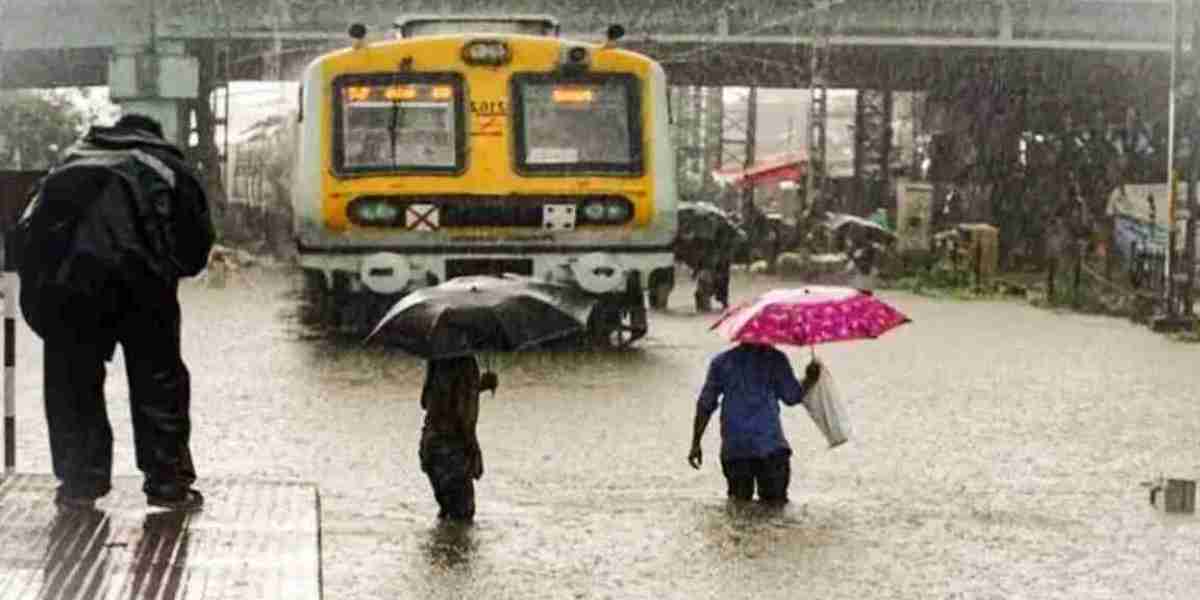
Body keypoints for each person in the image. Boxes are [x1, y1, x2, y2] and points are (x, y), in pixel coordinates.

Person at [19, 114, 214, 512]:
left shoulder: (70, 162)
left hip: (70, 288)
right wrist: (167, 269)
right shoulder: (168, 168)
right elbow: (196, 242)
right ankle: (168, 486)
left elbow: (28, 234)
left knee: (72, 384)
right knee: (158, 379)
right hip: (144, 287)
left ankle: (79, 485)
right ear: (153, 135)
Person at [688, 343, 821, 504]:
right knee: (775, 509)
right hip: (770, 447)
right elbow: (792, 396)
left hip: (736, 449)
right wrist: (809, 379)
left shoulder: (722, 362)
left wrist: (696, 443)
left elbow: (705, 404)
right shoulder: (776, 359)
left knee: (739, 508)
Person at [419, 356, 499, 521]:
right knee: (463, 517)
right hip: (453, 453)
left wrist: (477, 386)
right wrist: (474, 453)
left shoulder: (436, 360)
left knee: (446, 515)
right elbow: (464, 418)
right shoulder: (466, 363)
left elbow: (426, 402)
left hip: (430, 447)